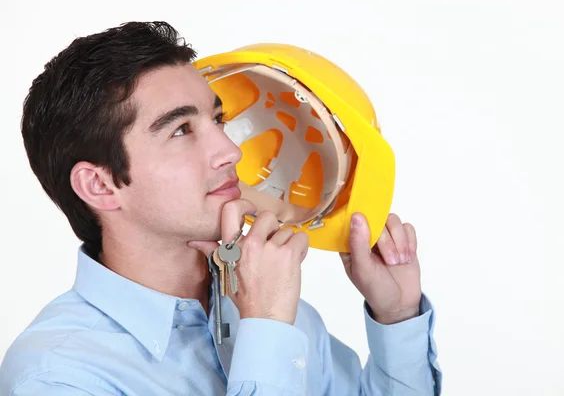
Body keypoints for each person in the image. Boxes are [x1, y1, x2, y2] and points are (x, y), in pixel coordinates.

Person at [0, 21, 442, 395]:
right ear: (100, 185)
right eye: (179, 130)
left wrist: (397, 317)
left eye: (217, 120)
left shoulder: (269, 309)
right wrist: (266, 326)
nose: (230, 151)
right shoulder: (57, 375)